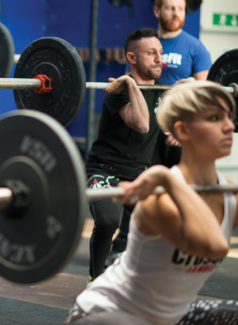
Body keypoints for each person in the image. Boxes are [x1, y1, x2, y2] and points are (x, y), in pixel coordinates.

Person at [62, 81, 238, 325]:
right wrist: (167, 178)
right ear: (182, 130)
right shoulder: (158, 201)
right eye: (214, 118)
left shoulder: (236, 197)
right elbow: (212, 245)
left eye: (228, 118)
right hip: (99, 319)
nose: (229, 126)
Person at [109, 0, 213, 261]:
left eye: (180, 8)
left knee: (180, 189)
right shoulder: (144, 44)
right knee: (140, 186)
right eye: (170, 7)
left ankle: (176, 248)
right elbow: (130, 85)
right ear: (157, 11)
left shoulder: (196, 48)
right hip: (148, 132)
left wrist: (184, 128)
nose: (177, 13)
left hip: (178, 133)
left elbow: (204, 97)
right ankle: (122, 246)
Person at [84, 28, 163, 281]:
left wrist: (193, 88)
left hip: (138, 176)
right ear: (132, 58)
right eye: (151, 53)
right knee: (107, 221)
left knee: (164, 223)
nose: (159, 59)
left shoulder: (165, 91)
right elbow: (141, 124)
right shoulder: (117, 92)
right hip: (104, 171)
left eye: (160, 53)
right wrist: (129, 82)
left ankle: (127, 269)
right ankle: (94, 281)